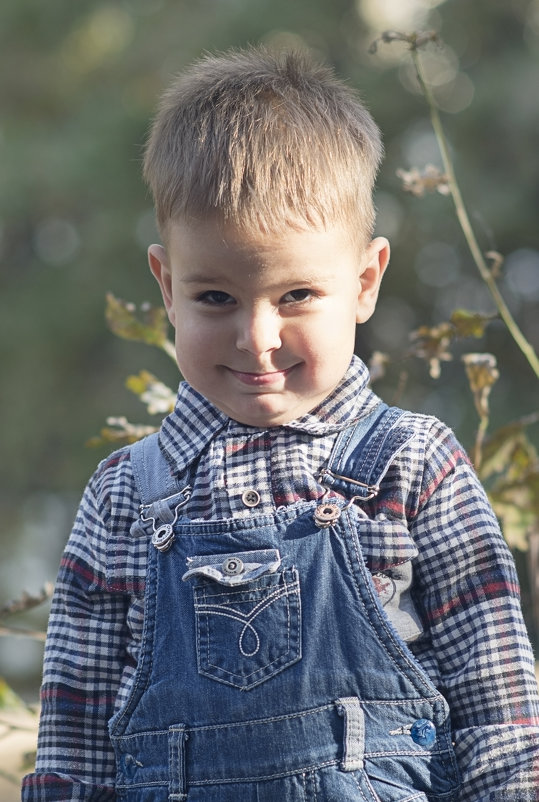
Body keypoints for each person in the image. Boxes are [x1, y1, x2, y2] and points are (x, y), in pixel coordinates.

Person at [23, 46, 539, 802]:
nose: (255, 338)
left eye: (296, 295)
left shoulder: (413, 465)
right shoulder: (124, 498)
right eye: (215, 299)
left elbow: (501, 712)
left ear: (364, 282)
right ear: (167, 286)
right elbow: (73, 735)